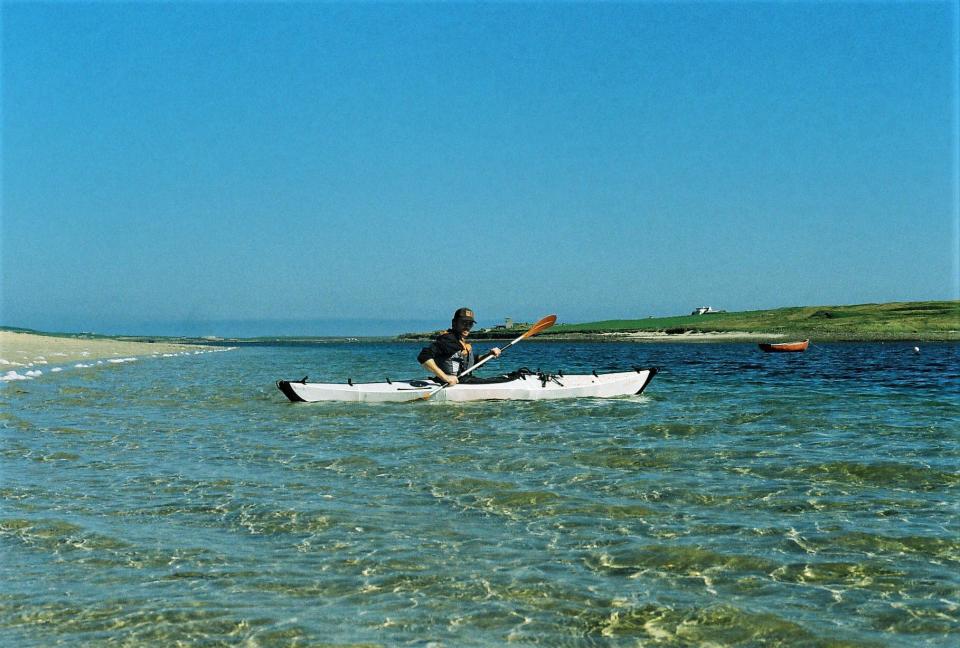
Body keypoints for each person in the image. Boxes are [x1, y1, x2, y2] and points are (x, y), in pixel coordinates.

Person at [418, 307, 501, 385]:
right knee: (500, 381)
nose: (467, 326)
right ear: (454, 322)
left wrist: (489, 355)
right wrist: (445, 377)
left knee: (503, 378)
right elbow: (424, 356)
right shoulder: (448, 340)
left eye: (470, 323)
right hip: (451, 383)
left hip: (465, 380)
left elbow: (471, 363)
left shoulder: (460, 341)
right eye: (464, 323)